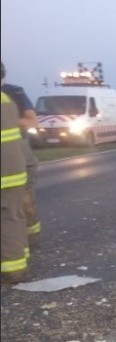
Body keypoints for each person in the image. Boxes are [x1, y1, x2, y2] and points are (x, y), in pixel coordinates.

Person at [1, 62, 41, 249]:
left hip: (19, 157)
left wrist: (7, 120)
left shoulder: (14, 93)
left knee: (22, 204)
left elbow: (32, 121)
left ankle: (29, 240)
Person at [1, 63, 30, 284]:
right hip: (14, 167)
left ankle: (11, 268)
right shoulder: (7, 100)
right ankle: (17, 263)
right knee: (13, 214)